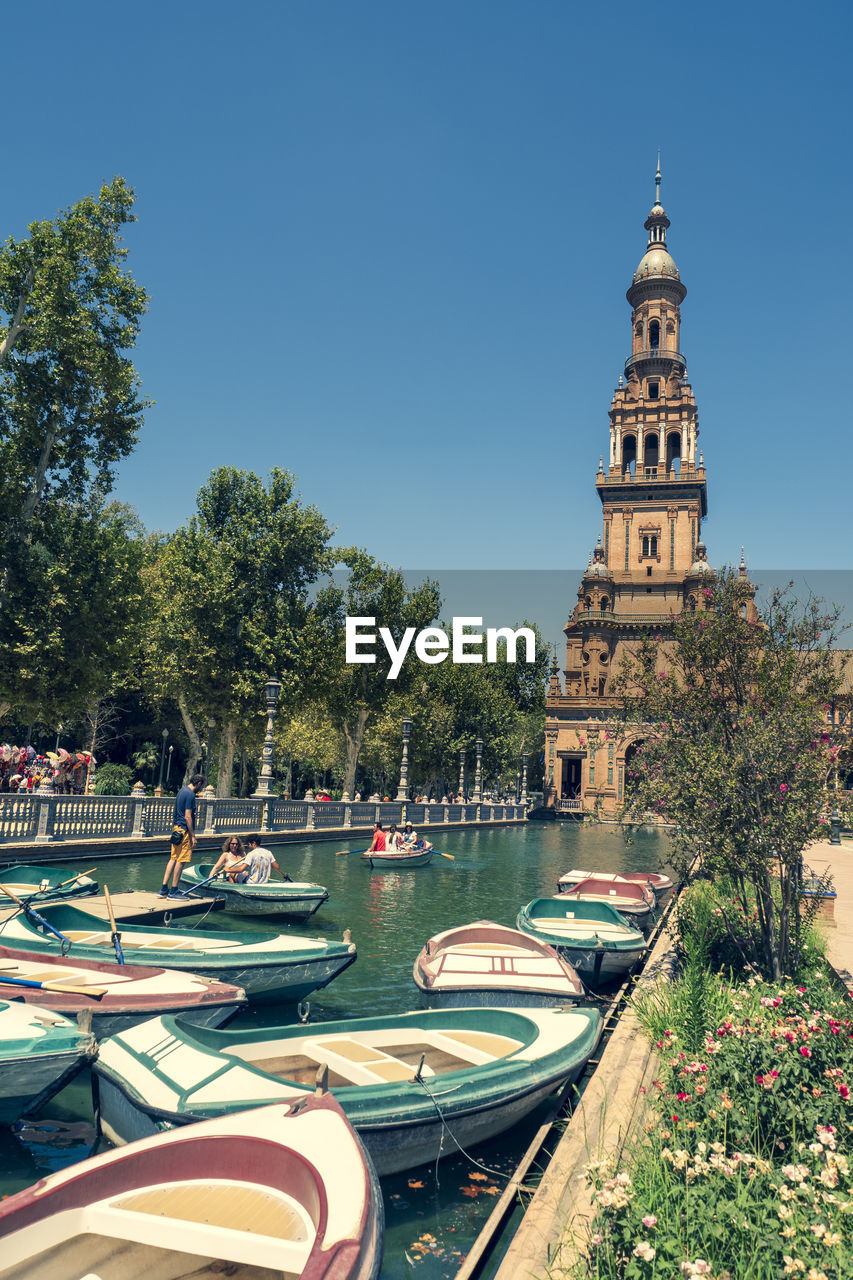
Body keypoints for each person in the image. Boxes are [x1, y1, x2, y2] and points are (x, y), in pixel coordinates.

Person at [159, 774, 206, 897]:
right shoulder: (190, 794)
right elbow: (188, 816)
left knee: (173, 858)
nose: (201, 789)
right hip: (184, 831)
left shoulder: (181, 791)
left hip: (177, 829)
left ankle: (164, 889)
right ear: (199, 783)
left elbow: (176, 812)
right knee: (181, 861)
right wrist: (193, 836)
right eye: (202, 786)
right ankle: (174, 890)